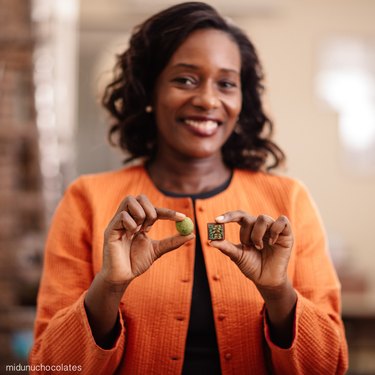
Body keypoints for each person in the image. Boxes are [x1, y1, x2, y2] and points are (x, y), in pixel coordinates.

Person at [29, 2, 349, 374]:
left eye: (226, 83)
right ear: (149, 91)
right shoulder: (87, 199)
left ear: (241, 100)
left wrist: (279, 293)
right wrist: (109, 287)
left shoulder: (288, 201)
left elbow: (329, 365)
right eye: (185, 79)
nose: (208, 100)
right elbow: (50, 367)